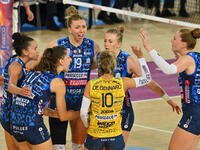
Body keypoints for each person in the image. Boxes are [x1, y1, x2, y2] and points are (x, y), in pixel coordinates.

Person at [98, 27, 181, 146]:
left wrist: (168, 99)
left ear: (119, 44)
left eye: (110, 41)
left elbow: (149, 81)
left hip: (123, 111)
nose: (106, 44)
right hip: (105, 110)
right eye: (105, 40)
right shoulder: (100, 57)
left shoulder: (127, 60)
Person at [47, 6, 100, 150]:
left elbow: (94, 66)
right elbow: (42, 67)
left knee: (78, 146)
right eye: (77, 27)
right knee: (58, 147)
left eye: (83, 27)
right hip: (60, 100)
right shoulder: (57, 45)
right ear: (69, 29)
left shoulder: (92, 45)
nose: (81, 30)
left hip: (81, 101)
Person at [139, 28, 200, 150]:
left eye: (175, 38)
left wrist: (148, 47)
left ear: (183, 44)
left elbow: (168, 69)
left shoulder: (188, 59)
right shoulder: (195, 57)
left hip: (193, 114)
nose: (171, 40)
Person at [80, 49, 153, 150]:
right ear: (115, 65)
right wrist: (141, 57)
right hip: (115, 135)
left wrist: (88, 126)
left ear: (99, 65)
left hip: (95, 134)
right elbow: (147, 79)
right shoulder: (123, 82)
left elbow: (83, 113)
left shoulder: (91, 85)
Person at [10, 46, 80, 150]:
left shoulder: (35, 73)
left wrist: (53, 113)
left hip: (15, 124)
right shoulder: (57, 82)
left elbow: (35, 105)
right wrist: (82, 112)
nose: (70, 60)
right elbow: (64, 117)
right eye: (68, 57)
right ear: (61, 61)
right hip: (32, 127)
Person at [0, 32, 39, 150]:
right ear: (25, 52)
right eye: (35, 48)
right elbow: (10, 87)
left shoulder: (18, 61)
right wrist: (21, 91)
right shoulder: (16, 66)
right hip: (10, 114)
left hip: (9, 112)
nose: (38, 51)